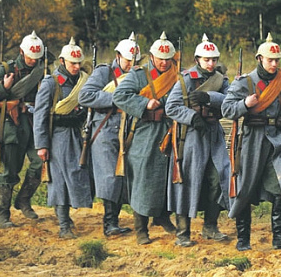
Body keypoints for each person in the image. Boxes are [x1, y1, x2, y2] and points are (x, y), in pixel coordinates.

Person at [221, 33, 281, 251]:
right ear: (260, 59)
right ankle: (243, 239)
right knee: (245, 189)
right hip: (251, 142)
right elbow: (226, 109)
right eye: (270, 60)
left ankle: (279, 235)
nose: (274, 64)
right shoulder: (245, 82)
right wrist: (244, 104)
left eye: (277, 61)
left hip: (276, 141)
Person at [112, 32, 179, 244]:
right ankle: (141, 229)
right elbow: (119, 96)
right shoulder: (139, 75)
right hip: (144, 131)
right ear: (151, 56)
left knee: (167, 175)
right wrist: (144, 104)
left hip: (170, 130)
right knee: (142, 178)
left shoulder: (178, 75)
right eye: (160, 58)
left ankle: (162, 216)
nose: (164, 62)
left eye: (168, 59)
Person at [165, 34, 231, 247]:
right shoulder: (185, 79)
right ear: (197, 59)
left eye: (213, 60)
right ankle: (183, 233)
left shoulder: (221, 80)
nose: (211, 64)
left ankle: (210, 226)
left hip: (214, 135)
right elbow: (171, 107)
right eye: (206, 59)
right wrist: (192, 117)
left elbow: (231, 102)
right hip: (190, 137)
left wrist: (211, 98)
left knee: (218, 179)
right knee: (186, 182)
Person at [0, 31, 49, 228]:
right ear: (22, 52)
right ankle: (3, 215)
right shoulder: (7, 68)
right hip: (12, 125)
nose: (32, 60)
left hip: (35, 123)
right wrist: (4, 87)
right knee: (10, 170)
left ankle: (23, 200)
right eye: (30, 56)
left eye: (36, 58)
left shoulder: (43, 69)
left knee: (40, 162)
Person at [78, 32, 140, 237]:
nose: (131, 64)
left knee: (124, 177)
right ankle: (109, 223)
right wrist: (117, 98)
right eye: (128, 60)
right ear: (118, 56)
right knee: (109, 177)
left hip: (129, 129)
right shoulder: (104, 73)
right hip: (104, 128)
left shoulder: (139, 73)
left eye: (134, 61)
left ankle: (117, 220)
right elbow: (85, 96)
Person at [33, 37, 92, 238]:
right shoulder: (51, 83)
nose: (76, 67)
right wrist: (41, 145)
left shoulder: (85, 80)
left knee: (78, 174)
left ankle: (68, 218)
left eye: (78, 63)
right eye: (72, 63)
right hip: (58, 136)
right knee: (59, 179)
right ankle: (63, 225)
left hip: (80, 133)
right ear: (61, 61)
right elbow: (40, 114)